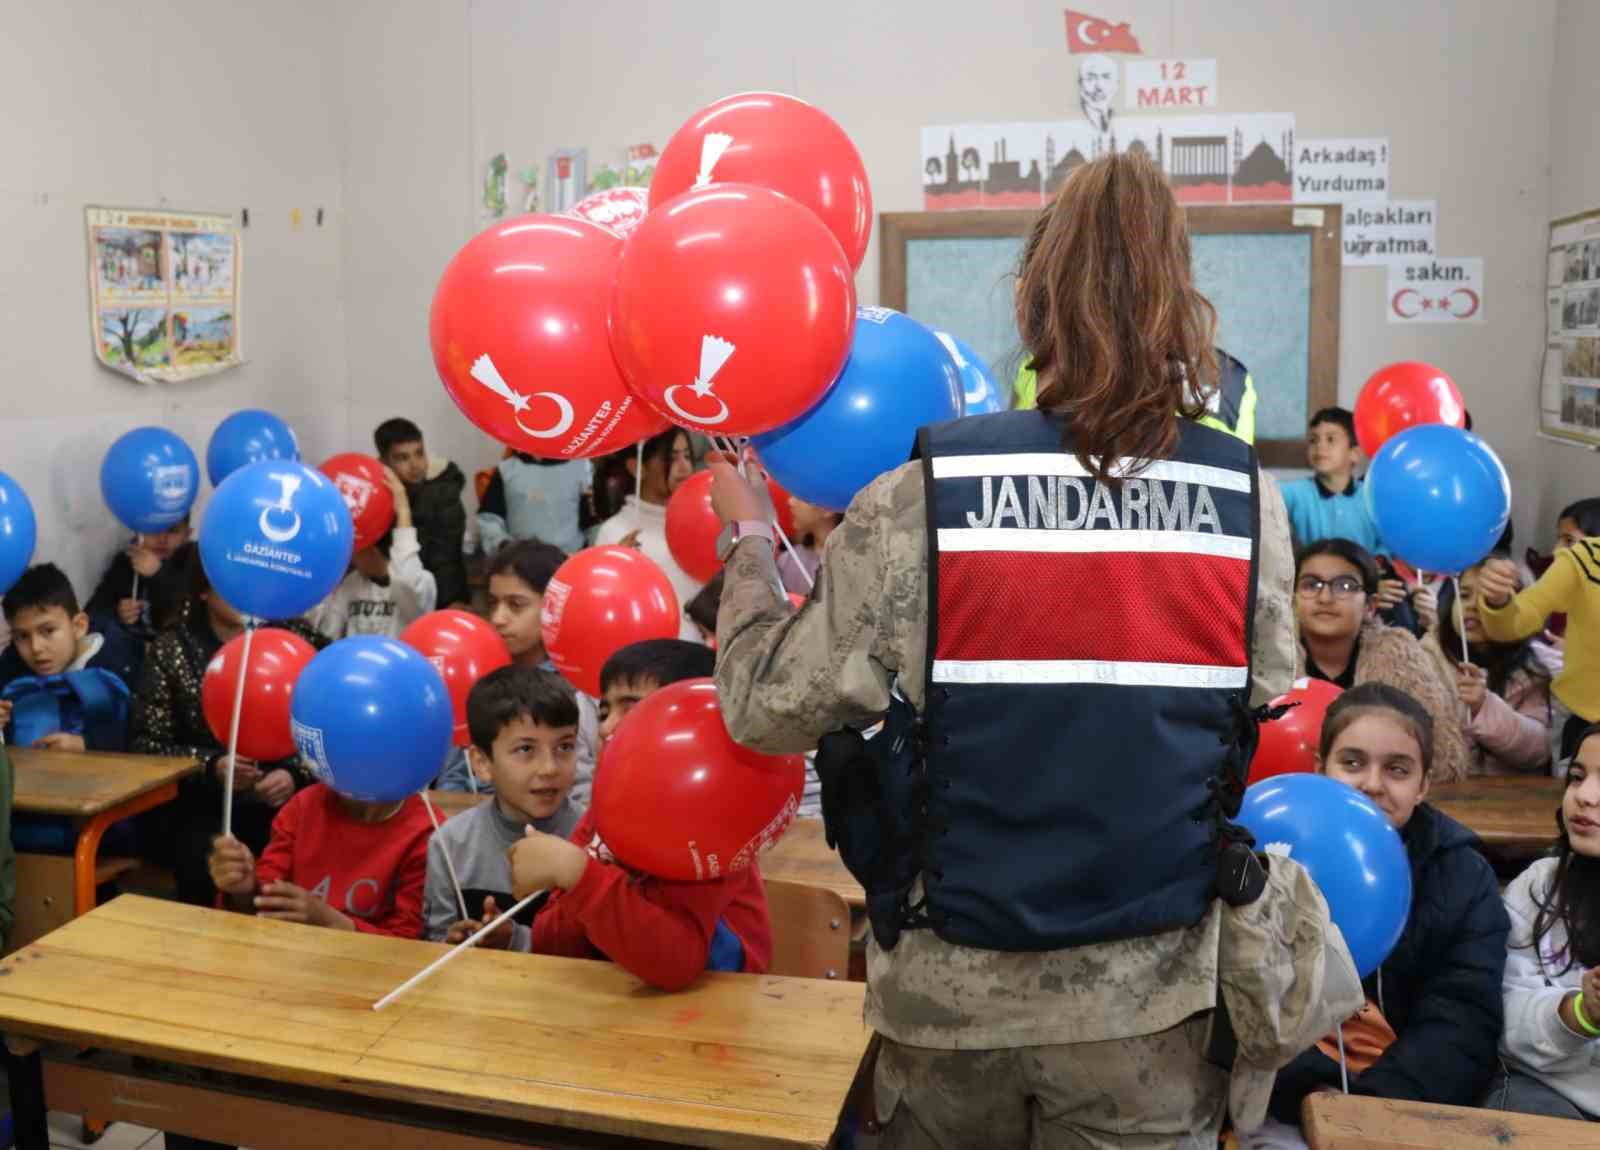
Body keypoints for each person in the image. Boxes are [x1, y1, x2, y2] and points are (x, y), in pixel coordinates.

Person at [708, 153, 1360, 1147]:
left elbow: (762, 704)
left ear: (1032, 301)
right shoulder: (1243, 503)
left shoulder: (923, 496)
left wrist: (751, 538)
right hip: (1145, 1007)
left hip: (948, 1000)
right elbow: (1266, 688)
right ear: (1185, 305)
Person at [1245, 684, 1509, 1150]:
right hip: (1283, 1097)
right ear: (1318, 767)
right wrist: (1315, 1093)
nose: (1371, 783)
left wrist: (1371, 1104)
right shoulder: (1268, 853)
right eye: (1351, 762)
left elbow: (1464, 1016)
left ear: (1424, 784)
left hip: (1408, 1106)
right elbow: (1236, 997)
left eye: (1397, 769)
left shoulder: (1462, 874)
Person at [502, 638, 770, 991]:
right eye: (603, 711)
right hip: (620, 1002)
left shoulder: (714, 827)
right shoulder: (604, 812)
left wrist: (577, 873)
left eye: (630, 709)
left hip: (717, 1014)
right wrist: (570, 883)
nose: (605, 727)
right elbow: (554, 947)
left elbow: (676, 963)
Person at [130, 547, 325, 906]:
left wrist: (295, 774)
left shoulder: (299, 641)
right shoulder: (172, 649)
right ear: (204, 590)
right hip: (204, 809)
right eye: (236, 583)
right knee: (204, 864)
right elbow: (147, 744)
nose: (250, 594)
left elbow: (332, 728)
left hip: (292, 806)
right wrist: (211, 767)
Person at [423, 665, 585, 947]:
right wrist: (454, 941)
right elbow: (436, 938)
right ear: (482, 763)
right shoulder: (450, 844)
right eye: (526, 749)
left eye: (565, 747)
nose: (549, 768)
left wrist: (515, 940)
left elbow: (596, 951)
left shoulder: (595, 841)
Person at [1490, 724, 1600, 1120]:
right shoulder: (1540, 886)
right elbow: (1504, 1020)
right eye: (1577, 777)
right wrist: (1582, 1013)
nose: (1585, 796)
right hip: (1546, 1092)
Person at [433, 540, 598, 800]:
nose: (498, 618)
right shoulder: (475, 676)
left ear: (554, 608)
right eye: (493, 603)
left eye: (516, 605)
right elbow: (453, 777)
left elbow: (580, 790)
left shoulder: (576, 688)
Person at [1296, 539, 1470, 783]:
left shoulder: (1400, 657)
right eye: (1311, 584)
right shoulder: (1267, 658)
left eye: (1345, 586)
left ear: (1371, 606)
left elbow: (1443, 755)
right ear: (1292, 598)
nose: (1325, 597)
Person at [208, 781, 433, 938]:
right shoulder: (304, 805)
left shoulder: (426, 833)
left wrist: (332, 922)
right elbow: (262, 907)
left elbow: (409, 944)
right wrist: (245, 891)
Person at [1479, 521, 1600, 764]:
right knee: (1577, 801)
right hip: (1583, 726)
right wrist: (1498, 600)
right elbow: (1519, 620)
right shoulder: (1586, 559)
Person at [1425, 561, 1555, 775]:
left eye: (1490, 600)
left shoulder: (1534, 671)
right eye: (1464, 595)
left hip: (1509, 799)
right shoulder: (1426, 659)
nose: (1473, 606)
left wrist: (1483, 707)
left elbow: (1538, 750)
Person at [0, 563, 141, 752]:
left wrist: (88, 744)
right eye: (22, 636)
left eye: (48, 631)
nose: (36, 648)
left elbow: (145, 736)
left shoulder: (123, 662)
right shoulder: (10, 669)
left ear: (79, 625)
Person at [593, 428, 703, 640]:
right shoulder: (614, 532)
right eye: (672, 458)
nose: (684, 467)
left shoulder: (699, 520)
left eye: (687, 456)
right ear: (638, 468)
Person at [313, 468, 436, 639]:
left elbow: (407, 579)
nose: (351, 555)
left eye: (356, 549)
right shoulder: (350, 584)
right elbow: (327, 634)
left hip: (399, 664)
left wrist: (403, 511)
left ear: (372, 549)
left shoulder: (424, 582)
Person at [374, 418, 469, 609]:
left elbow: (447, 559)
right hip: (388, 601)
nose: (415, 464)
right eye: (402, 458)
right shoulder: (377, 497)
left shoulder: (445, 492)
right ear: (383, 462)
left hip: (440, 598)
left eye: (419, 453)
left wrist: (452, 604)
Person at [1279, 407, 1385, 555]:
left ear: (1354, 453)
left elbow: (1386, 543)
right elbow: (1265, 496)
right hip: (1313, 575)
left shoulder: (1373, 497)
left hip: (1364, 576)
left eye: (1331, 439)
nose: (1320, 446)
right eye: (1313, 440)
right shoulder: (1295, 492)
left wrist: (1380, 561)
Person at [85, 516, 192, 639]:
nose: (162, 539)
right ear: (137, 531)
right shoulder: (125, 564)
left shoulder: (194, 564)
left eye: (173, 531)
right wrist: (117, 613)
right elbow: (92, 613)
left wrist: (158, 575)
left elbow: (189, 617)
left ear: (187, 534)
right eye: (153, 529)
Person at [477, 451, 592, 557]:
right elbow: (489, 518)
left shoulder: (582, 468)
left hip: (570, 558)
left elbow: (591, 521)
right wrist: (504, 545)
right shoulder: (506, 470)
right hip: (520, 561)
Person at [777, 498, 840, 596]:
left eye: (801, 496)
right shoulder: (788, 560)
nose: (790, 502)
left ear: (828, 509)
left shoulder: (854, 566)